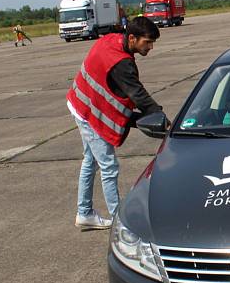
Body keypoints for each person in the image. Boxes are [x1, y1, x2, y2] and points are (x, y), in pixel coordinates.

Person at [66, 17, 166, 229]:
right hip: (89, 112)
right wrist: (160, 117)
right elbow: (138, 95)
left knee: (90, 161)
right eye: (147, 42)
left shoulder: (111, 39)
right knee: (108, 167)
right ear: (132, 38)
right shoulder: (122, 64)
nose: (151, 47)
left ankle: (84, 212)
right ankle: (119, 221)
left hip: (80, 102)